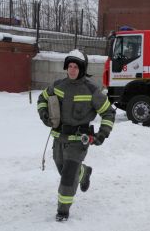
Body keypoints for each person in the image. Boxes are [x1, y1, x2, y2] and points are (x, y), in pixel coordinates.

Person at [37, 49, 115, 221]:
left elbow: (109, 113)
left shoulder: (91, 90)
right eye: (69, 66)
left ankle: (62, 211)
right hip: (59, 139)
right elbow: (42, 99)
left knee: (67, 177)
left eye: (75, 67)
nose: (72, 70)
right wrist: (44, 114)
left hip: (79, 142)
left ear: (82, 68)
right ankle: (83, 172)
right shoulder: (58, 86)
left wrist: (102, 134)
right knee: (62, 169)